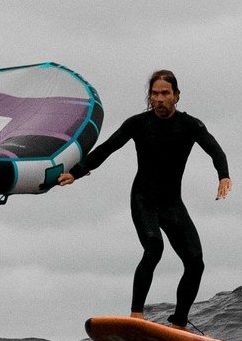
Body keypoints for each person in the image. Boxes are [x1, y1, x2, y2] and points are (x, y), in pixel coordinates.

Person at [57, 69, 232, 327]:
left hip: (172, 204)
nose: (159, 99)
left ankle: (180, 322)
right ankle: (137, 316)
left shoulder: (190, 126)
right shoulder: (138, 124)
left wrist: (224, 176)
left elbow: (215, 149)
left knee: (195, 262)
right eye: (154, 93)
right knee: (154, 246)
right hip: (144, 200)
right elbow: (107, 148)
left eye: (165, 93)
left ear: (176, 96)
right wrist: (77, 173)